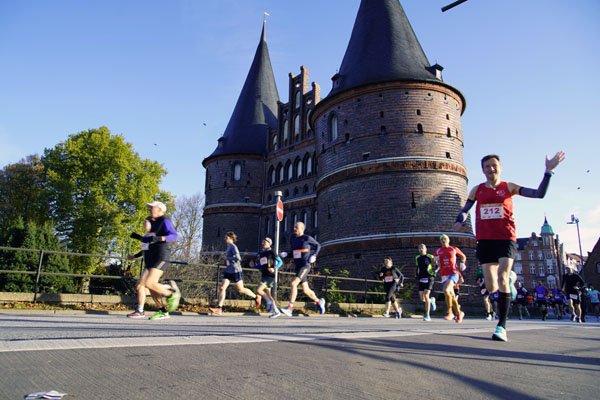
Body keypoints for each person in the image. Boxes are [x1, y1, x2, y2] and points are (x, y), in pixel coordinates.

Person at [453, 152, 565, 341]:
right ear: (482, 170)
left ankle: (501, 326)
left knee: (502, 276)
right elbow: (466, 209)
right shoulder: (476, 190)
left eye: (494, 165)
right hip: (485, 240)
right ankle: (509, 280)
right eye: (487, 166)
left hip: (506, 238)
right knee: (490, 285)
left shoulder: (509, 187)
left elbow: (539, 194)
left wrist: (548, 172)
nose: (491, 169)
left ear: (500, 167)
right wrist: (460, 220)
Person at [129, 201, 180, 320]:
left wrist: (159, 238)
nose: (150, 210)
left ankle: (171, 293)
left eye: (153, 208)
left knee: (149, 283)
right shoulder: (151, 223)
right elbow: (147, 242)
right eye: (150, 208)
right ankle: (162, 310)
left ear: (160, 210)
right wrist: (137, 240)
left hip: (160, 256)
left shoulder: (164, 220)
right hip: (150, 259)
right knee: (143, 284)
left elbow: (174, 236)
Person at [279, 222, 325, 316]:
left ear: (302, 228)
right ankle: (319, 301)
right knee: (306, 290)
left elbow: (318, 245)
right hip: (298, 266)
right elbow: (293, 253)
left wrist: (314, 255)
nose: (294, 228)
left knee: (293, 283)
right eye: (294, 227)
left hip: (305, 265)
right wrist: (287, 254)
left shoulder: (307, 238)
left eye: (296, 227)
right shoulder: (293, 239)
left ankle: (290, 308)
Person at [209, 232, 261, 315]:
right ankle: (219, 308)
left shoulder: (233, 247)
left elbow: (238, 257)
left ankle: (256, 297)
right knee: (222, 288)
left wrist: (227, 258)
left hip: (235, 270)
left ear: (231, 238)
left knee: (241, 289)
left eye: (226, 237)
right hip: (228, 271)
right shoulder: (228, 247)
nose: (224, 239)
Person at [127, 218, 167, 318]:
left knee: (140, 285)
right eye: (143, 222)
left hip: (155, 264)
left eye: (146, 222)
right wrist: (134, 257)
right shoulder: (146, 236)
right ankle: (162, 309)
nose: (144, 223)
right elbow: (145, 251)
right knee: (149, 287)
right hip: (148, 264)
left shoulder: (155, 236)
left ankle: (140, 310)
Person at [433, 234, 466, 323]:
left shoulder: (453, 249)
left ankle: (450, 312)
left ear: (448, 240)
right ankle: (459, 313)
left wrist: (462, 263)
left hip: (453, 273)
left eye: (445, 239)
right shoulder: (438, 251)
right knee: (451, 295)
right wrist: (435, 262)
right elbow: (434, 262)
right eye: (441, 239)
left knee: (446, 290)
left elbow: (463, 256)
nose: (443, 240)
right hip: (444, 275)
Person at [250, 237, 283, 318]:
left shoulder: (271, 252)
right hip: (264, 275)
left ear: (269, 243)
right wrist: (254, 266)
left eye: (264, 242)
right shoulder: (261, 254)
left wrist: (274, 268)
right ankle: (276, 311)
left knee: (258, 290)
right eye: (262, 242)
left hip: (270, 276)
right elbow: (261, 266)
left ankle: (268, 302)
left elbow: (280, 262)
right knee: (268, 294)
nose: (262, 243)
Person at [415, 244, 437, 321]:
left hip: (429, 277)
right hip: (421, 277)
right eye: (419, 248)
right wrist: (417, 274)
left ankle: (427, 315)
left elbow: (436, 264)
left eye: (422, 248)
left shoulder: (430, 256)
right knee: (422, 298)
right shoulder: (417, 257)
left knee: (426, 295)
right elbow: (417, 267)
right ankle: (431, 300)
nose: (421, 249)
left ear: (426, 249)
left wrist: (435, 272)